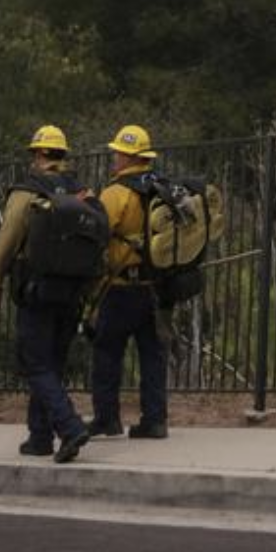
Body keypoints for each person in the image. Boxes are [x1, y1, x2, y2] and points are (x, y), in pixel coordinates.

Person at [0, 124, 93, 464]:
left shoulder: (28, 191)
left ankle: (69, 427)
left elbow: (5, 242)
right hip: (73, 290)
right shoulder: (82, 191)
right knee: (51, 364)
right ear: (62, 155)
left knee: (35, 363)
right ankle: (39, 436)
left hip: (37, 289)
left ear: (39, 154)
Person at [88, 124, 169, 440]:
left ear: (126, 156)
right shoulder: (161, 188)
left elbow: (97, 234)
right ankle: (155, 420)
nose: (114, 159)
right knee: (153, 355)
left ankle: (107, 419)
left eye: (117, 153)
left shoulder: (115, 193)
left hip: (121, 288)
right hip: (155, 287)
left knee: (107, 353)